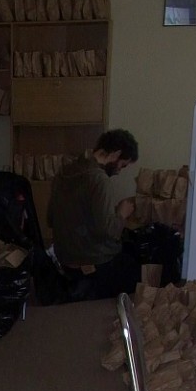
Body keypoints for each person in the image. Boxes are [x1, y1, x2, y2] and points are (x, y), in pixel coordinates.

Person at [47, 128, 139, 300]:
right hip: (89, 259)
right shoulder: (99, 179)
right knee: (134, 258)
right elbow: (108, 231)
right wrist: (122, 214)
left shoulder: (64, 171)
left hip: (64, 255)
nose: (120, 171)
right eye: (123, 164)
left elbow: (50, 219)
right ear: (116, 154)